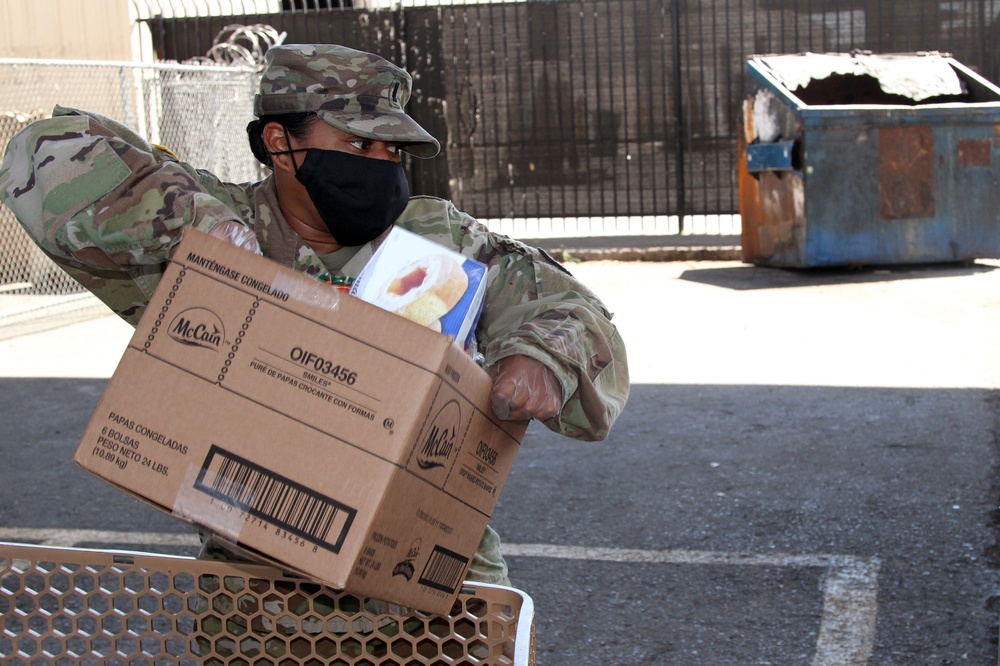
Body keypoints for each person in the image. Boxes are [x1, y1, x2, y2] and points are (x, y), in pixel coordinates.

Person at [0, 43, 629, 586]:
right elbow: (40, 151)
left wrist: (543, 358)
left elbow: (569, 306)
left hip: (434, 602)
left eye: (393, 150)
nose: (382, 165)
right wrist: (197, 226)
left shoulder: (439, 238)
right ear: (280, 143)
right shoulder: (213, 232)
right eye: (358, 142)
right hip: (262, 611)